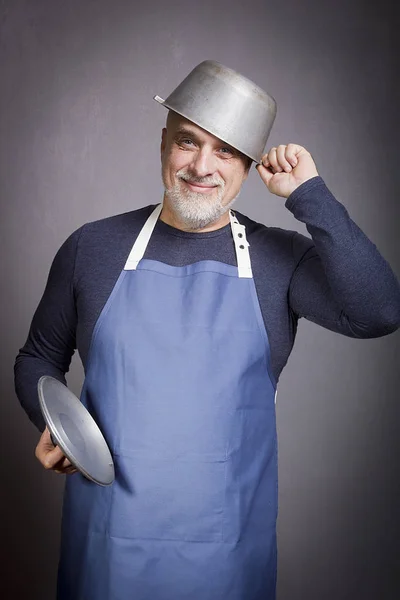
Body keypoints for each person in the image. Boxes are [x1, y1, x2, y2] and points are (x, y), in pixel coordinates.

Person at [14, 61, 400, 600]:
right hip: (107, 547)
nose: (201, 166)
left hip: (226, 557)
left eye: (225, 150)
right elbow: (37, 357)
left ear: (247, 165)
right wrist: (54, 424)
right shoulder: (92, 248)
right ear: (163, 143)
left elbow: (380, 310)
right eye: (188, 143)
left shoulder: (279, 260)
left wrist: (309, 195)